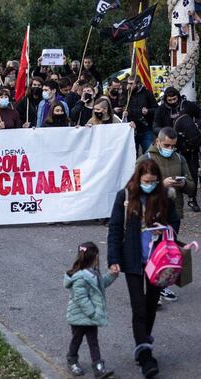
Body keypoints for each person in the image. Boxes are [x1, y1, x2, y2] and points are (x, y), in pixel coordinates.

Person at [107, 159, 179, 378]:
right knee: (138, 308)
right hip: (133, 261)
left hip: (158, 262)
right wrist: (113, 259)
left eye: (154, 181)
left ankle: (143, 344)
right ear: (139, 178)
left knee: (150, 306)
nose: (151, 184)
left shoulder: (165, 196)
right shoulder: (125, 196)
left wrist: (164, 229)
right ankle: (146, 356)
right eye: (147, 181)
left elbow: (175, 223)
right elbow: (115, 228)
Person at [136, 127, 195, 304]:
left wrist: (183, 184)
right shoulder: (145, 159)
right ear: (158, 142)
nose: (170, 148)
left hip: (174, 211)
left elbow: (192, 186)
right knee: (152, 251)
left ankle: (161, 285)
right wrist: (161, 184)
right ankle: (154, 289)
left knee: (168, 250)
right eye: (167, 145)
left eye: (173, 146)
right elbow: (134, 187)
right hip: (152, 213)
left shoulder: (179, 158)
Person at [64, 242, 117, 378]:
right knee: (77, 339)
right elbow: (81, 298)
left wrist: (112, 275)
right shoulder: (79, 277)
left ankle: (98, 366)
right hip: (79, 317)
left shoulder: (93, 273)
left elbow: (101, 285)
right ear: (93, 257)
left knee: (93, 341)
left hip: (91, 316)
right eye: (97, 256)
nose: (98, 259)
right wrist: (92, 313)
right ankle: (72, 359)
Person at [153, 86, 201, 212]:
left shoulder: (187, 105)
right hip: (171, 145)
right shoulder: (162, 109)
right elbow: (155, 126)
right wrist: (165, 132)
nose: (173, 101)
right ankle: (171, 199)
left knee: (193, 171)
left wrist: (197, 125)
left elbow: (199, 114)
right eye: (170, 100)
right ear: (166, 99)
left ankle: (193, 198)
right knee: (171, 172)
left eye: (175, 99)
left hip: (189, 144)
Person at [122, 76, 158, 155]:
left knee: (149, 154)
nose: (129, 86)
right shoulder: (126, 93)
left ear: (138, 84)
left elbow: (156, 109)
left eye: (131, 84)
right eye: (128, 83)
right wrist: (124, 111)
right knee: (131, 156)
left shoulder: (147, 93)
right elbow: (121, 106)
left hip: (146, 129)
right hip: (131, 130)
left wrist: (148, 111)